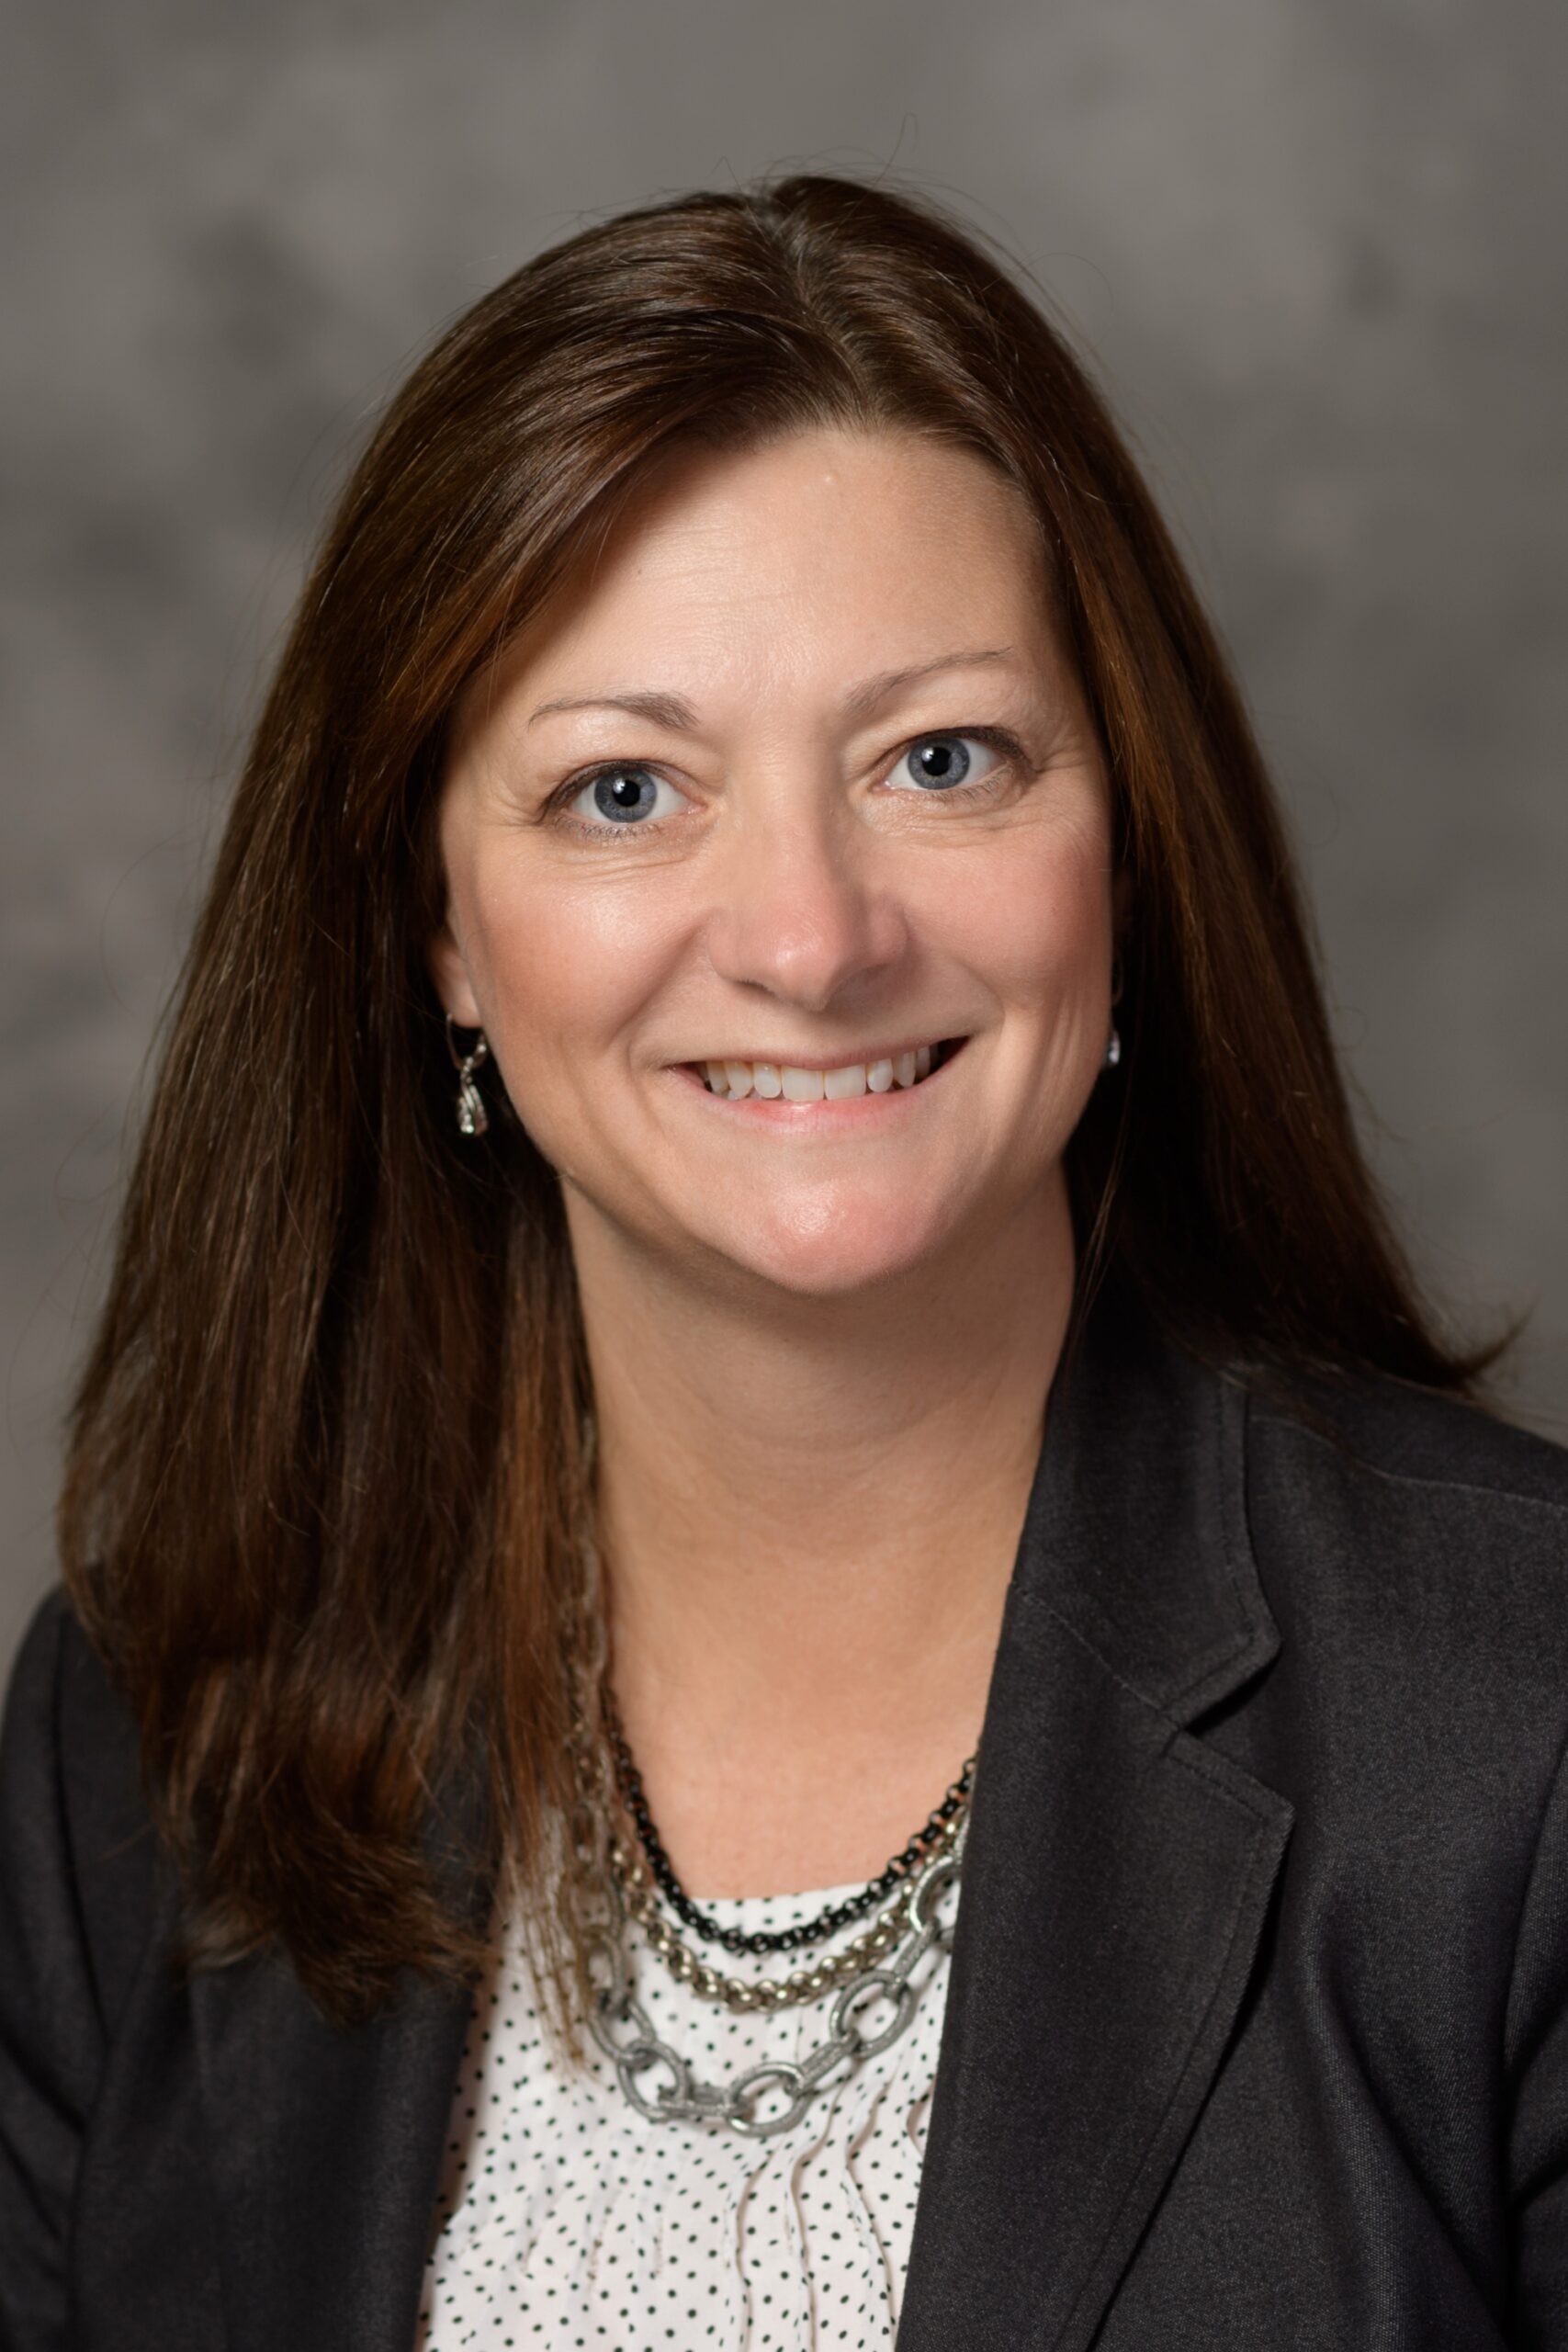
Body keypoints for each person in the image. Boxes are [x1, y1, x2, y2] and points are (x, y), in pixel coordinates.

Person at [2, 169, 1565, 2352]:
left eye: (940, 758)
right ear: (438, 935)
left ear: (1124, 850)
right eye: (625, 791)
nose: (814, 938)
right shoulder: (147, 1738)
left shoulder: (1518, 1721)